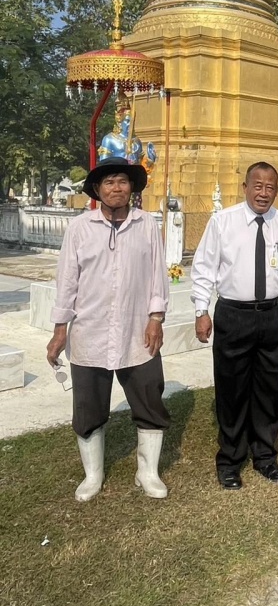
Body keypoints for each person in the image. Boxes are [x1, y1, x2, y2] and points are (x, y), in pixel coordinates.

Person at [46, 156, 170, 502]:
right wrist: (60, 330)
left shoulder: (146, 225)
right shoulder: (80, 228)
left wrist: (156, 318)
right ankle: (93, 475)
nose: (117, 188)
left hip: (137, 332)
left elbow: (157, 276)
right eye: (109, 182)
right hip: (90, 332)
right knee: (89, 406)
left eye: (123, 181)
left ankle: (147, 472)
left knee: (149, 398)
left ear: (132, 188)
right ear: (98, 190)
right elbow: (67, 282)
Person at [191, 162, 278, 490]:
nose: (263, 193)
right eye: (258, 186)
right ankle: (230, 459)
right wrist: (201, 310)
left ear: (277, 191)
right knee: (232, 388)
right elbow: (204, 268)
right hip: (234, 315)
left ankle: (265, 456)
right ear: (245, 187)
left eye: (270, 187)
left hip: (272, 314)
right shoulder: (223, 222)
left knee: (268, 387)